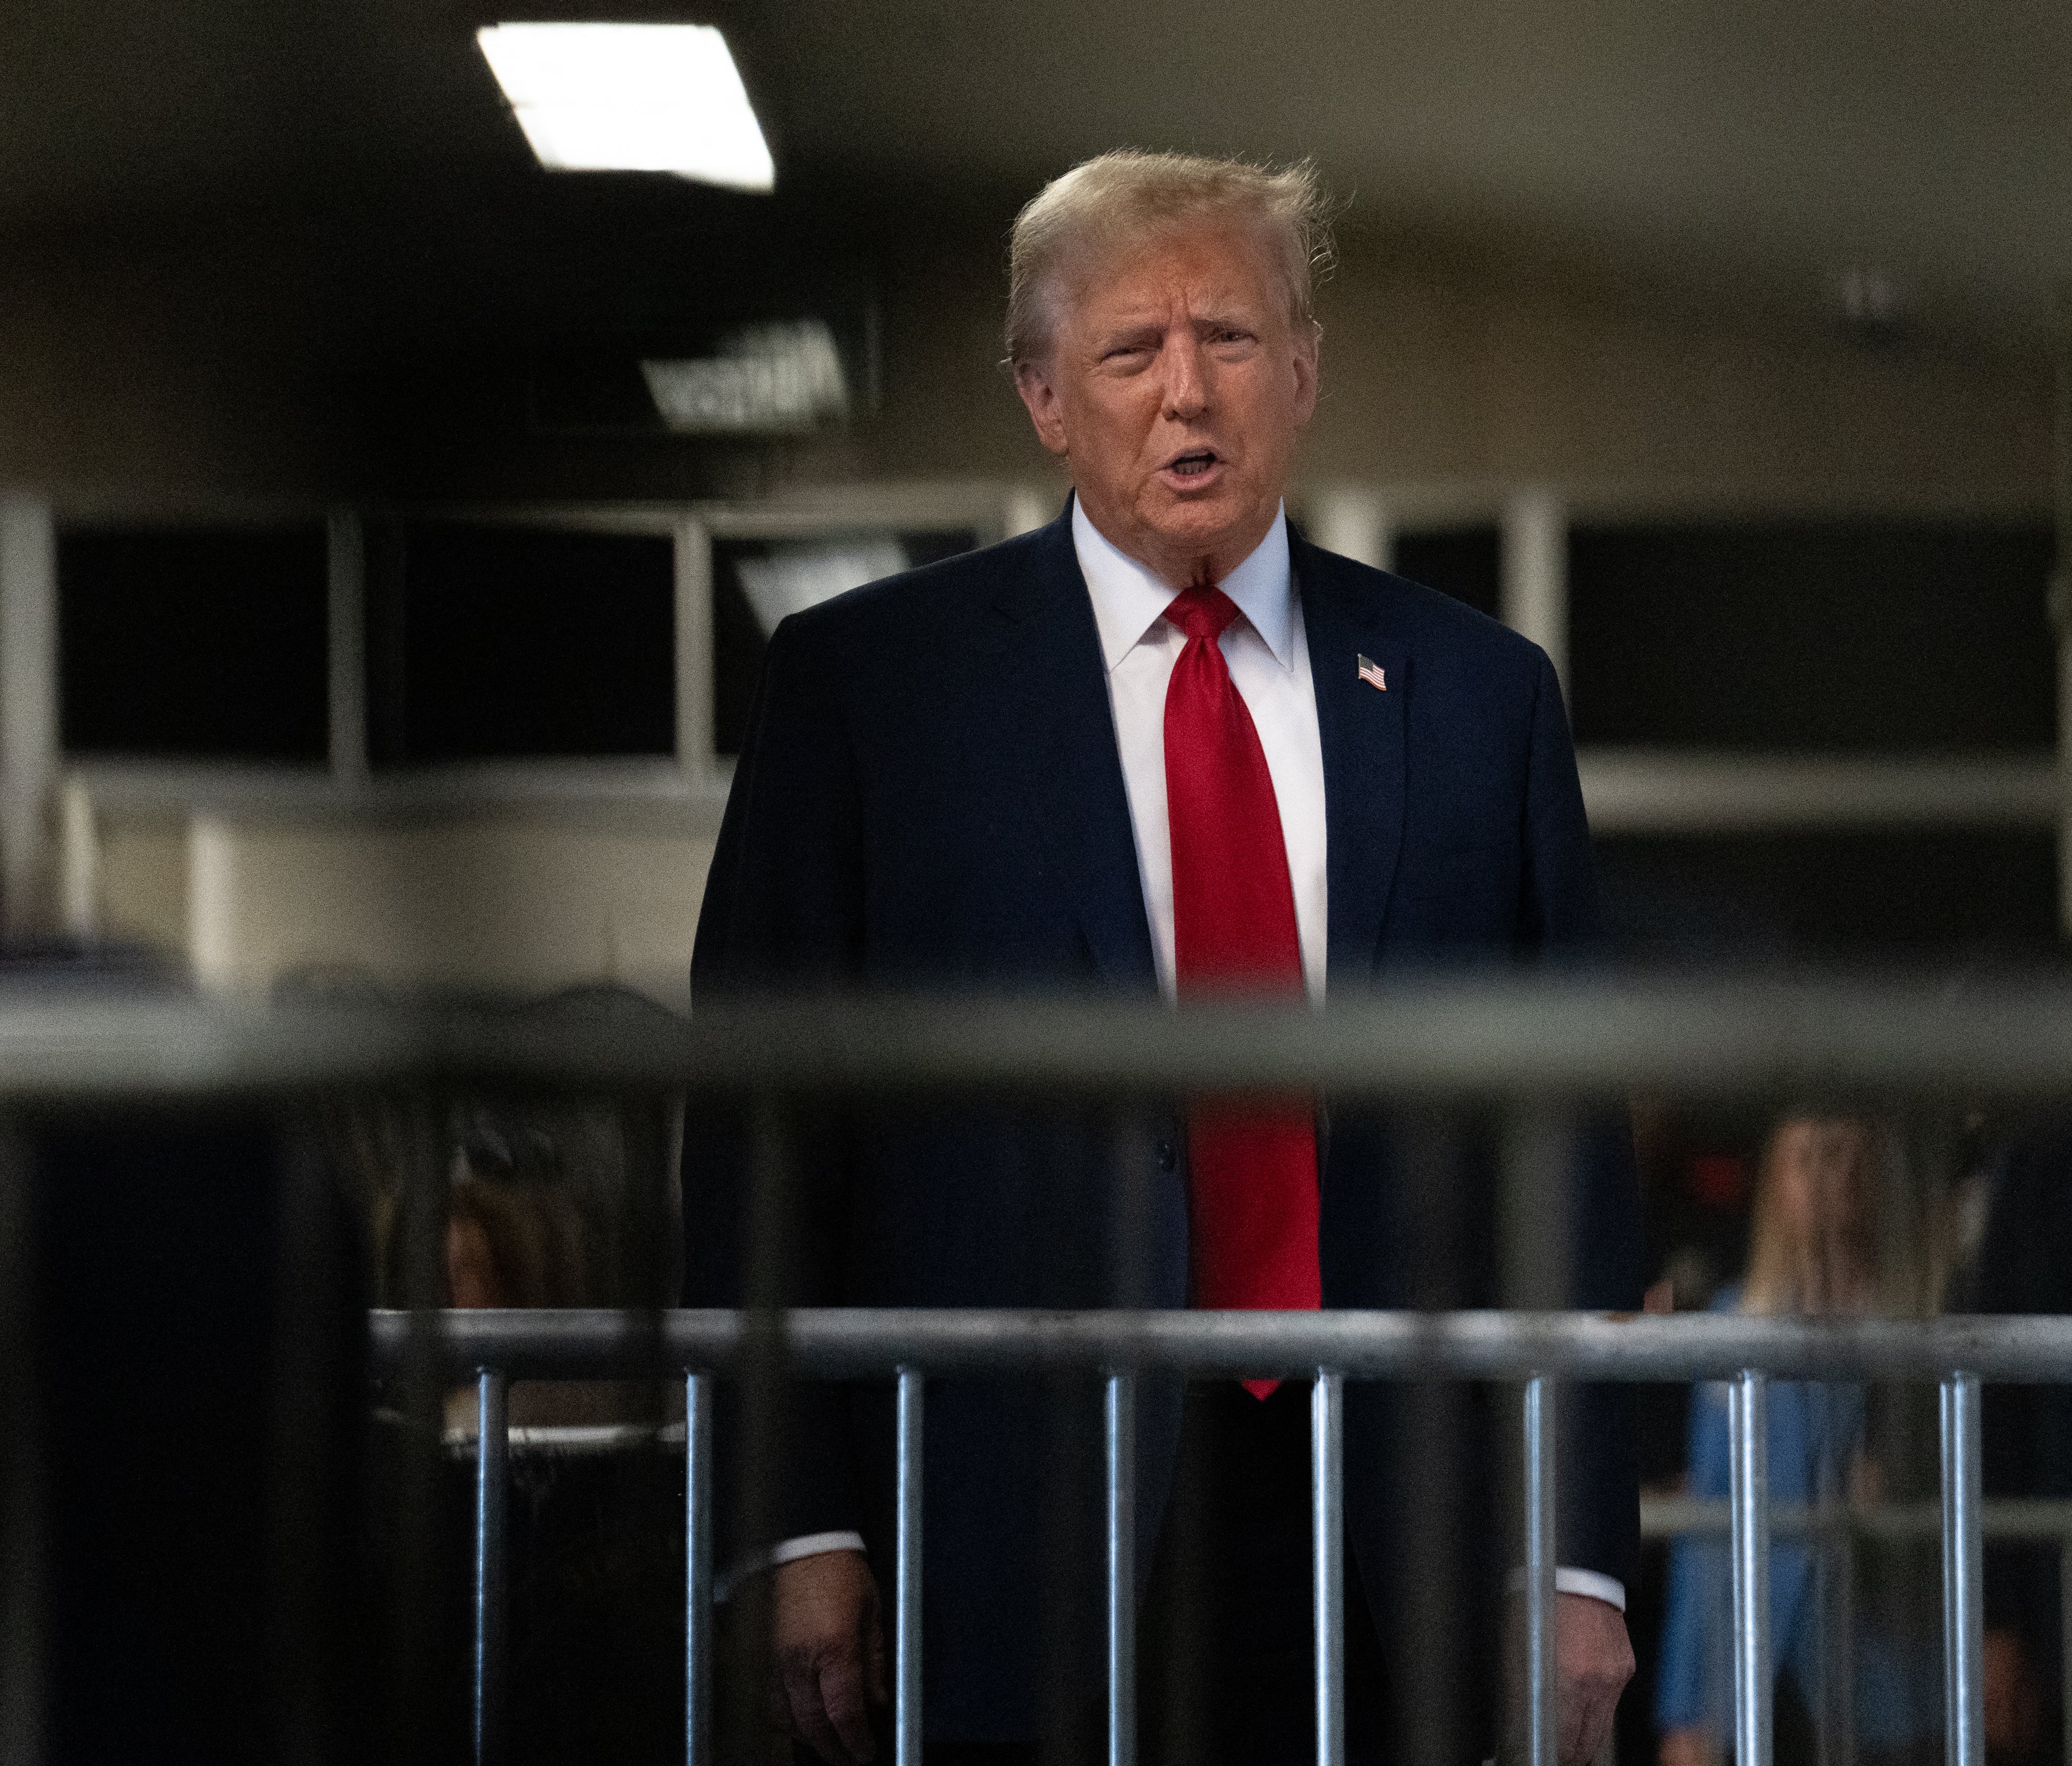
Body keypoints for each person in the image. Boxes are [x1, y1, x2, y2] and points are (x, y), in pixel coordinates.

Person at [684, 151, 1641, 1765]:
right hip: (998, 1518)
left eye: (1232, 340)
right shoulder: (869, 689)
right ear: (1044, 396)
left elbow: (1571, 1159)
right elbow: (758, 1126)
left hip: (1405, 1530)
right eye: (1131, 352)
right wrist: (789, 1522)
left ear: (1306, 374)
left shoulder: (1481, 698)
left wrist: (1572, 1551)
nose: (1186, 391)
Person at [1653, 1115, 1937, 1766]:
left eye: (1840, 1157)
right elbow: (1705, 1512)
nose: (1824, 1178)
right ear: (1774, 1183)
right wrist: (1684, 1705)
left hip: (1878, 1661)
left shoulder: (1912, 1320)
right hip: (1748, 1653)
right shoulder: (1733, 1320)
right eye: (1803, 1160)